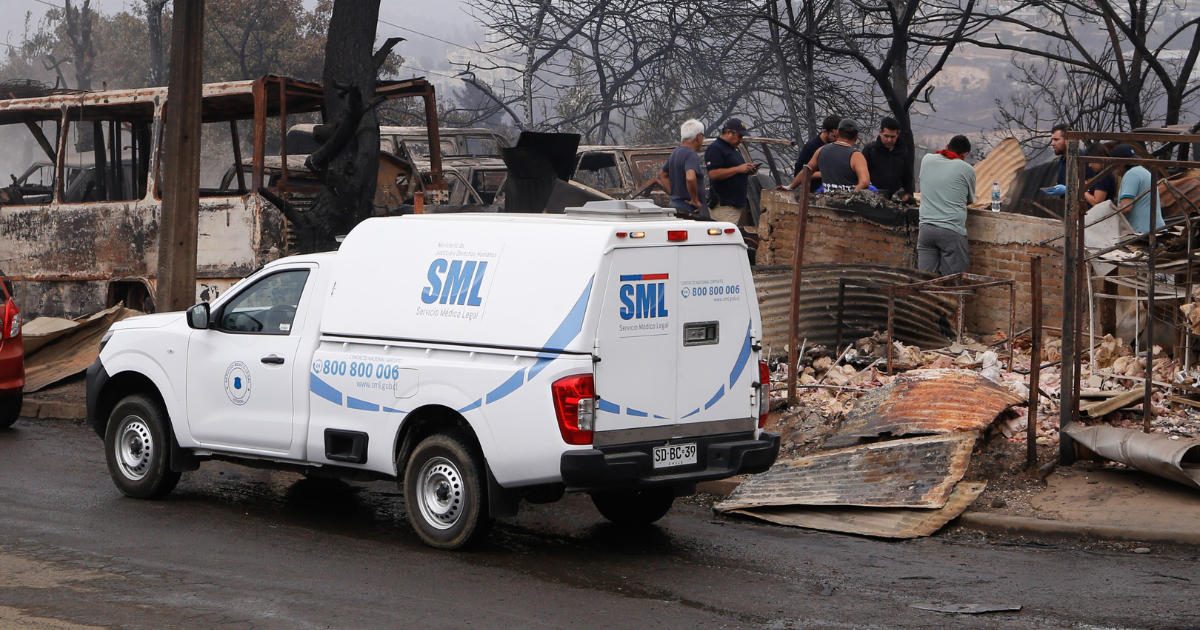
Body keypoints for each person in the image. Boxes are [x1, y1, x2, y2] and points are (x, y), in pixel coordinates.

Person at [917, 135, 976, 276]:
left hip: (926, 230)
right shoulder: (966, 168)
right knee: (953, 283)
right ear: (965, 154)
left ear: (947, 146)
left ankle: (926, 298)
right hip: (951, 231)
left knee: (925, 280)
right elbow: (968, 200)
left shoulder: (927, 159)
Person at [705, 118, 758, 225]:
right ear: (728, 132)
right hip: (724, 204)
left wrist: (747, 171)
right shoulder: (715, 148)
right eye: (739, 136)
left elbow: (733, 172)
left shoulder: (733, 149)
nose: (741, 140)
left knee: (728, 237)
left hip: (734, 204)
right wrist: (738, 169)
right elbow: (713, 174)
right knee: (725, 238)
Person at [656, 119, 708, 217]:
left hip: (676, 205)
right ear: (699, 137)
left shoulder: (675, 152)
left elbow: (663, 175)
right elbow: (690, 177)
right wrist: (695, 200)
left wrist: (674, 194)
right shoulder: (691, 154)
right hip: (688, 209)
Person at [1111, 143, 1165, 234]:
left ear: (1121, 163)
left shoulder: (1131, 175)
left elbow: (1125, 207)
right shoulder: (1142, 171)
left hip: (1143, 232)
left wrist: (1109, 222)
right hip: (1153, 229)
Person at [805, 118, 871, 192]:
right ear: (856, 137)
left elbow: (806, 172)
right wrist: (850, 197)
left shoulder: (821, 150)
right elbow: (864, 182)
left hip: (827, 199)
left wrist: (791, 187)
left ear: (838, 134)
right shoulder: (856, 156)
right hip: (849, 201)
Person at [862, 117, 914, 201]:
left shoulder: (903, 152)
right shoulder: (870, 150)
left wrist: (909, 197)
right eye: (886, 136)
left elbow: (908, 178)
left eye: (892, 137)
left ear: (898, 134)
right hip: (872, 198)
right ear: (880, 132)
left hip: (895, 199)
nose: (889, 140)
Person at [785, 115, 840, 192]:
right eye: (834, 136)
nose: (837, 139)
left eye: (839, 136)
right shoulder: (811, 147)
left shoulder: (838, 145)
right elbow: (798, 174)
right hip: (814, 192)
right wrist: (825, 173)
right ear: (825, 132)